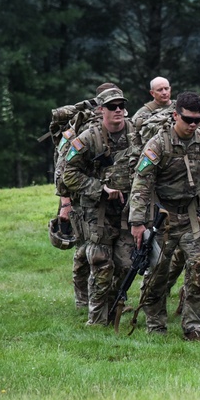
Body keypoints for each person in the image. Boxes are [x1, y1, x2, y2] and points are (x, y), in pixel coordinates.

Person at [128, 91, 200, 340]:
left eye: (197, 120)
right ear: (175, 116)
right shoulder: (158, 144)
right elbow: (141, 184)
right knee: (157, 274)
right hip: (163, 218)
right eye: (188, 119)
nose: (193, 125)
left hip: (193, 217)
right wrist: (138, 223)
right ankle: (156, 324)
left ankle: (193, 327)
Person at [62, 87, 141, 325]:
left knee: (127, 264)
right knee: (101, 263)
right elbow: (69, 174)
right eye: (112, 106)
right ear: (101, 110)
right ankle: (96, 321)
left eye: (121, 106)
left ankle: (114, 306)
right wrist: (100, 188)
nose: (118, 110)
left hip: (128, 211)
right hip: (98, 211)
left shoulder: (136, 134)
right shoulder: (88, 138)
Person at [51, 82, 120, 309]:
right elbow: (63, 170)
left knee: (106, 250)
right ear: (100, 105)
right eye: (110, 104)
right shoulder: (80, 130)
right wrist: (65, 204)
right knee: (83, 251)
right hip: (81, 198)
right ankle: (83, 300)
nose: (115, 108)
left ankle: (109, 296)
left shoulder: (117, 128)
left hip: (106, 198)